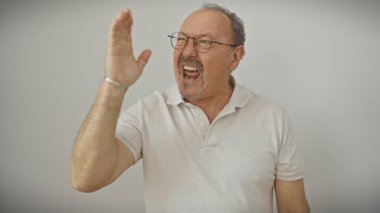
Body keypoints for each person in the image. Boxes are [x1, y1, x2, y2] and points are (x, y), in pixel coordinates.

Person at [70, 3, 310, 213]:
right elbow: (85, 178)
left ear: (235, 57)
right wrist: (115, 84)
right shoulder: (149, 112)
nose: (187, 52)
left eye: (204, 42)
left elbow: (294, 208)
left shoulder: (272, 117)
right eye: (182, 40)